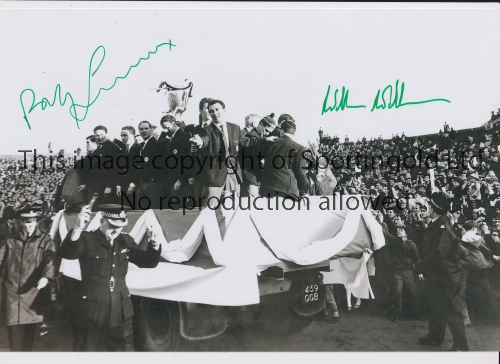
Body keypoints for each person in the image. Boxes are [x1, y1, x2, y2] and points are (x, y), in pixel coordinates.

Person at [58, 204, 162, 351]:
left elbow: (148, 261)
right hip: (91, 314)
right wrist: (77, 228)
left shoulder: (125, 241)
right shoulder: (87, 239)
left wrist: (154, 243)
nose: (116, 230)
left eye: (120, 227)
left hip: (120, 314)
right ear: (102, 221)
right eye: (112, 226)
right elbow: (68, 252)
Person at [190, 99, 274, 208]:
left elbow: (247, 141)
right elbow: (205, 140)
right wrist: (200, 142)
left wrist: (265, 139)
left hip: (233, 176)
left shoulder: (235, 128)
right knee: (209, 211)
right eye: (211, 111)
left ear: (224, 110)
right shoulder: (206, 130)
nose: (215, 113)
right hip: (214, 178)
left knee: (231, 210)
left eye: (217, 110)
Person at [413, 192, 469, 351]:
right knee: (435, 306)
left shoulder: (443, 227)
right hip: (437, 276)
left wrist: (419, 266)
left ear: (434, 208)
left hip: (447, 276)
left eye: (428, 206)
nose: (426, 208)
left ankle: (461, 346)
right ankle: (435, 337)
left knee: (452, 311)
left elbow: (439, 254)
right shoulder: (437, 223)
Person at [0, 204, 56, 351]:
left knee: (28, 332)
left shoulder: (45, 241)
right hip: (12, 292)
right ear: (20, 223)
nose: (28, 225)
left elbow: (50, 260)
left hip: (32, 291)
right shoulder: (10, 241)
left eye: (31, 222)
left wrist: (46, 277)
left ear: (36, 222)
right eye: (26, 222)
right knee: (13, 331)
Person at [259, 120, 309, 200]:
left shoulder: (269, 144)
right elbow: (300, 173)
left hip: (267, 188)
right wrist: (304, 192)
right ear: (294, 133)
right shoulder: (299, 148)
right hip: (287, 190)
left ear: (281, 131)